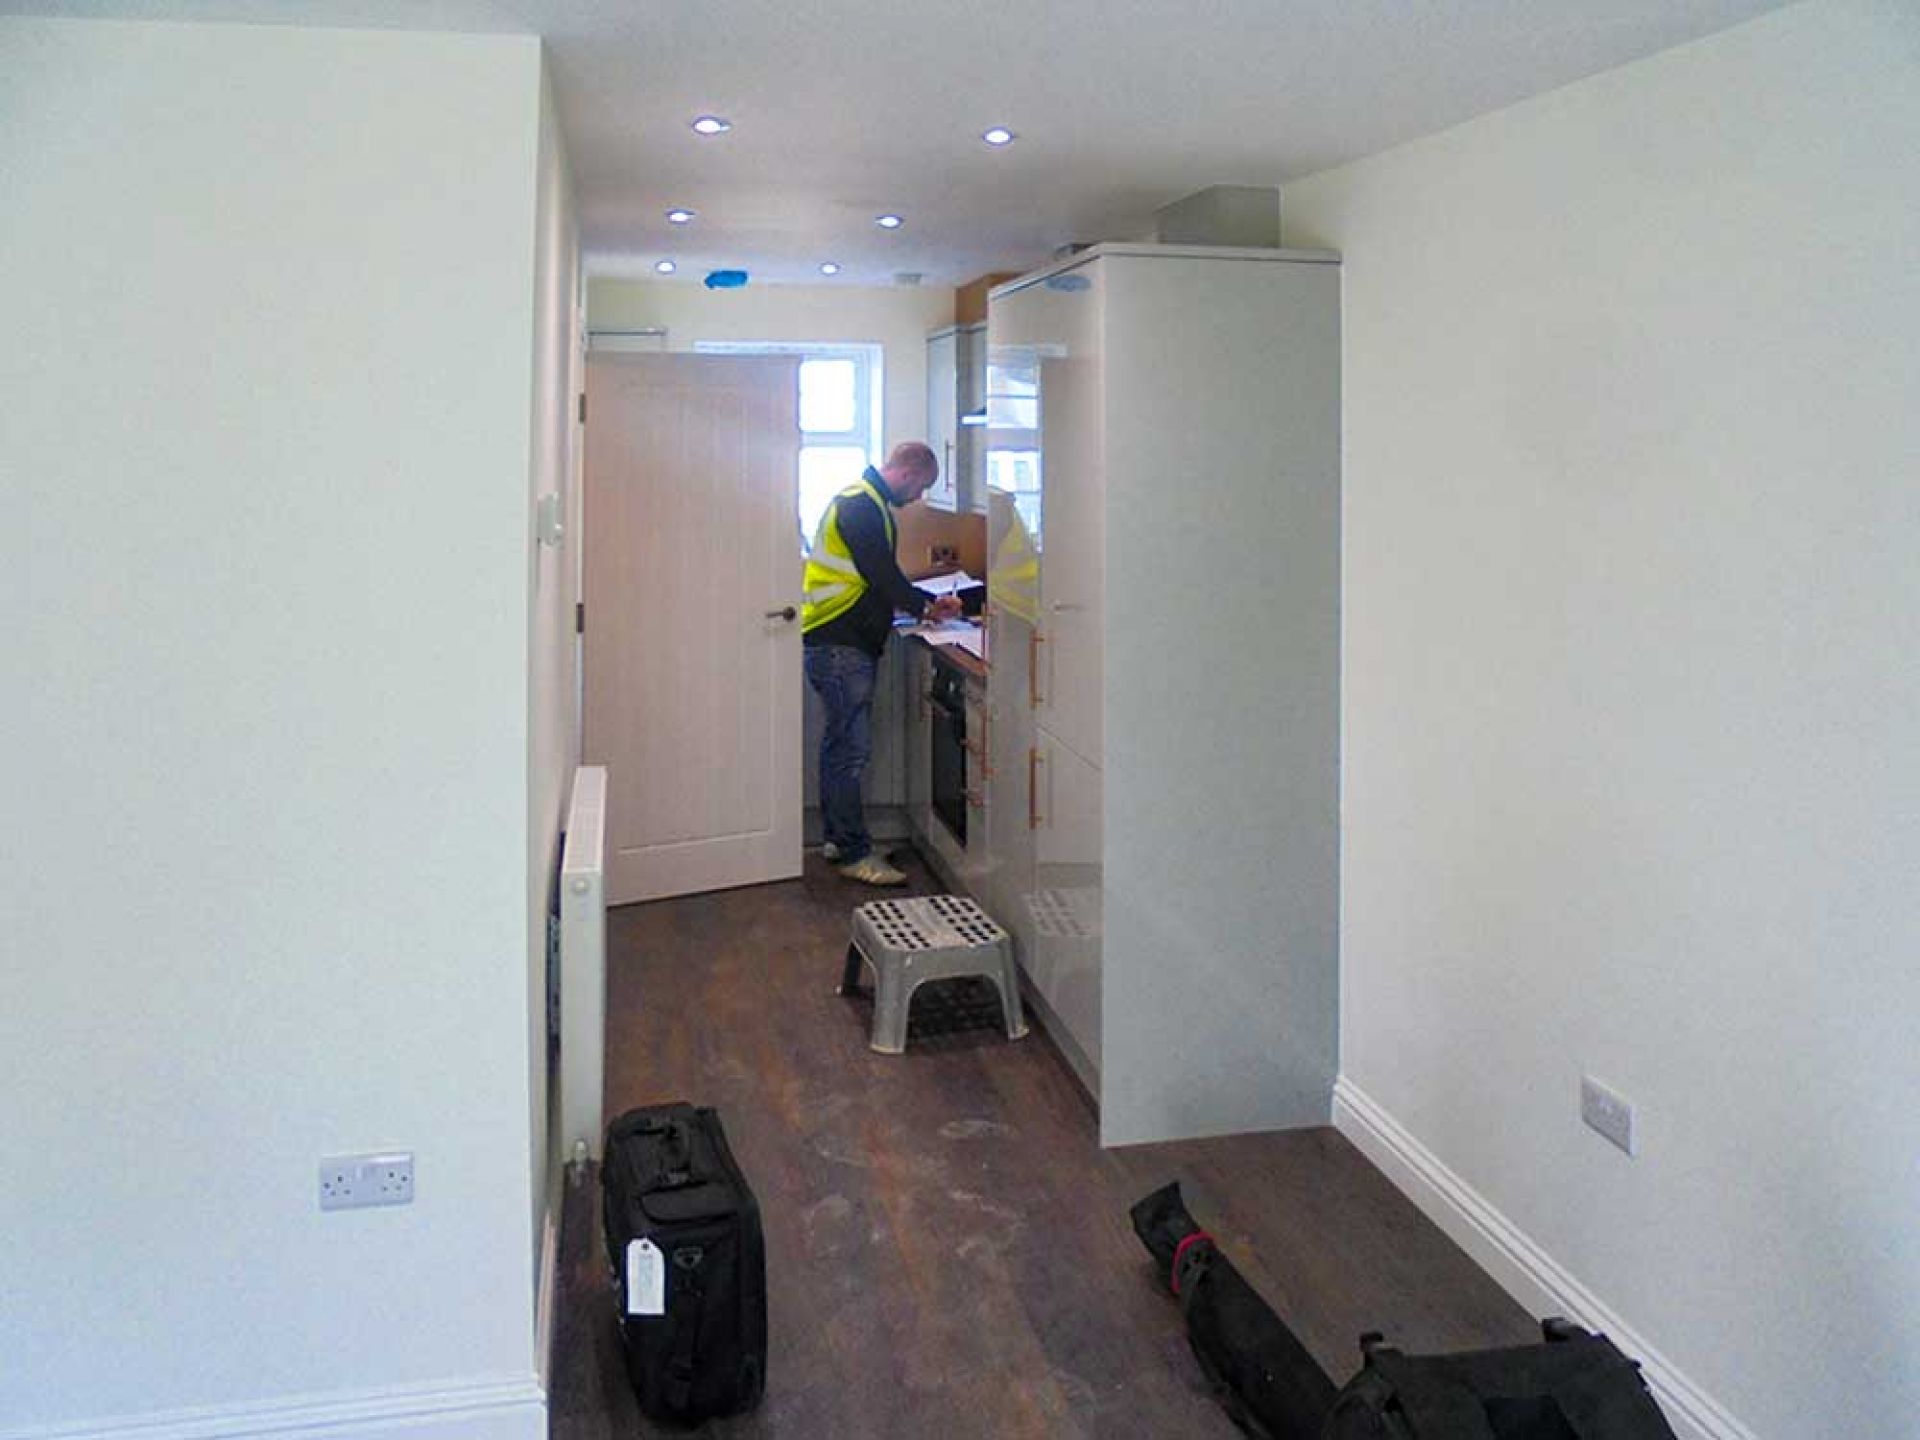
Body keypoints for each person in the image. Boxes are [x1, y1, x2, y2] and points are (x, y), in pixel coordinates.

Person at [802, 441, 964, 885]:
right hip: (840, 644)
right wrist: (925, 606)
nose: (918, 499)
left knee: (840, 749)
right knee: (849, 752)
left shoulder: (864, 501)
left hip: (837, 641)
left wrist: (922, 602)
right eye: (921, 488)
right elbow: (879, 574)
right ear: (909, 472)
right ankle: (855, 853)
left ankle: (841, 839)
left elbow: (873, 576)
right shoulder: (862, 506)